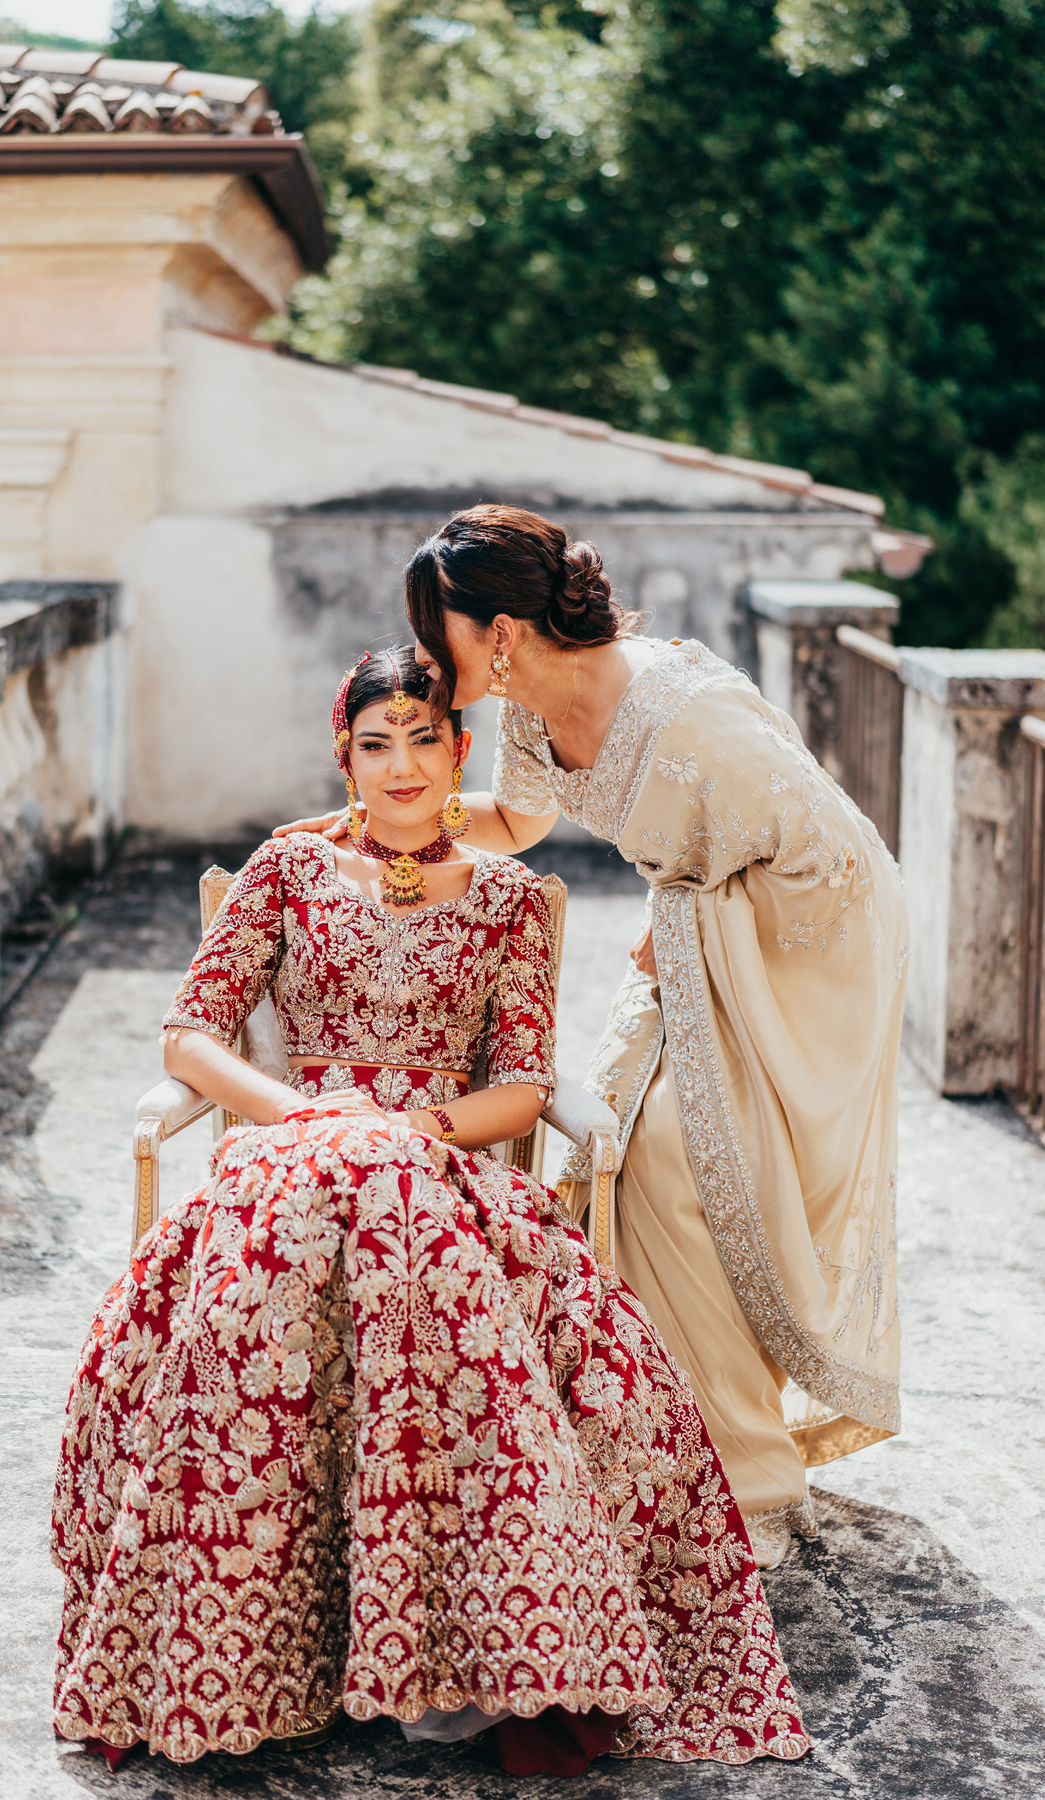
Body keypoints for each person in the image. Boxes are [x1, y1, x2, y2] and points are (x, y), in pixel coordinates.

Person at [51, 646, 810, 1771]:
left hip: (440, 1163)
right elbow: (190, 1034)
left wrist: (418, 1130)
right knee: (286, 1252)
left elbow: (520, 1082)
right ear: (344, 758)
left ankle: (488, 1647)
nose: (400, 766)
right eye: (375, 744)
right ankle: (239, 1643)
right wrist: (295, 1115)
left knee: (430, 1246)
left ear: (460, 753)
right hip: (295, 1152)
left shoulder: (508, 901)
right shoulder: (287, 871)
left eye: (423, 740)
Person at [279, 507, 908, 1569]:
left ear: (503, 633)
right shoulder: (528, 708)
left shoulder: (689, 715)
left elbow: (830, 864)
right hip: (700, 935)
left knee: (683, 1163)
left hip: (808, 943)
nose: (430, 661)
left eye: (441, 635)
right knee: (626, 1153)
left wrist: (698, 933)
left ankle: (742, 1478)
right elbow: (521, 822)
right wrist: (360, 824)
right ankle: (665, 1451)